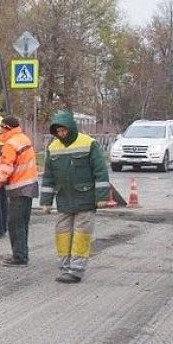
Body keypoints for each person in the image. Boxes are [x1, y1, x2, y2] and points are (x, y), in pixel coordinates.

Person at [39, 111, 111, 283]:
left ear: (71, 128)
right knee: (62, 233)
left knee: (81, 234)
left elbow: (100, 172)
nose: (61, 134)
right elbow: (48, 177)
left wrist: (101, 197)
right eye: (58, 131)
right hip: (64, 199)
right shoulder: (53, 148)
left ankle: (76, 270)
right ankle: (65, 267)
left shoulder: (89, 143)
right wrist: (46, 202)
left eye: (64, 130)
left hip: (85, 199)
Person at [0, 116, 39, 267]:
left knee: (15, 224)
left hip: (19, 187)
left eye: (1, 128)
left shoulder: (10, 144)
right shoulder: (23, 138)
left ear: (7, 128)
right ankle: (22, 254)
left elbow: (6, 169)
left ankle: (19, 258)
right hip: (29, 185)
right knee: (22, 223)